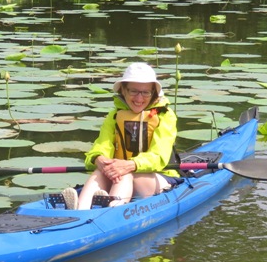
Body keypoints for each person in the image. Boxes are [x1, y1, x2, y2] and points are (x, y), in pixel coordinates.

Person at [62, 62, 179, 210]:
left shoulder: (165, 116)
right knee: (101, 171)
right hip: (119, 176)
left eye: (145, 92)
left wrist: (130, 165)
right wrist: (99, 159)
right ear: (123, 90)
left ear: (153, 93)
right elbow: (101, 145)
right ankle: (80, 210)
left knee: (125, 174)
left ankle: (111, 211)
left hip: (159, 178)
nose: (139, 98)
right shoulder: (115, 115)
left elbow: (159, 157)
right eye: (133, 91)